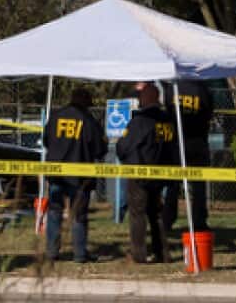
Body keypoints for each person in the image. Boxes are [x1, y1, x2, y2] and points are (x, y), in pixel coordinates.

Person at [43, 87, 106, 263]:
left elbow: (46, 140)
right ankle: (79, 254)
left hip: (56, 172)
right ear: (85, 101)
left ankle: (52, 252)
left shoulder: (55, 116)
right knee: (79, 214)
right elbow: (100, 150)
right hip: (80, 176)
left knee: (55, 211)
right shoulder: (88, 120)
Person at [116, 82, 176, 263]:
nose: (138, 100)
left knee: (137, 214)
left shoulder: (140, 121)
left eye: (140, 97)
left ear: (146, 98)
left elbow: (123, 146)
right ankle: (162, 253)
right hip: (160, 173)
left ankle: (138, 254)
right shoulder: (167, 120)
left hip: (140, 173)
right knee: (156, 214)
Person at [161, 79, 214, 232]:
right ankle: (199, 220)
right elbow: (208, 113)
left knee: (173, 185)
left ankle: (167, 219)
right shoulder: (202, 88)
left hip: (177, 141)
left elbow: (168, 112)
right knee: (198, 185)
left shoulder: (172, 89)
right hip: (197, 140)